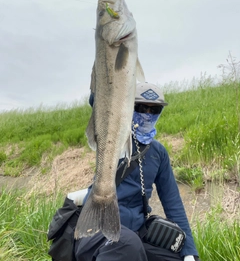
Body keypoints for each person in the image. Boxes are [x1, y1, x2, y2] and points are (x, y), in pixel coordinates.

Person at [71, 82, 200, 261]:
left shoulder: (158, 153)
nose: (147, 114)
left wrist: (190, 252)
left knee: (174, 257)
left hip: (135, 233)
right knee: (127, 245)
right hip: (97, 228)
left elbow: (173, 203)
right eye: (140, 107)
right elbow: (99, 99)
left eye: (153, 110)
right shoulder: (112, 137)